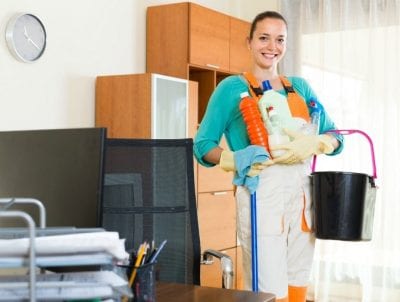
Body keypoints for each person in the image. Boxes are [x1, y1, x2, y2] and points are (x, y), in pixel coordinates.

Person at [193, 10, 344, 302]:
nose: (271, 47)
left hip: (302, 197)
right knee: (267, 287)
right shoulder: (231, 88)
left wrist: (316, 144)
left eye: (279, 40)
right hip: (260, 195)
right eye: (264, 38)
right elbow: (202, 145)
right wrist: (234, 159)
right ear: (249, 42)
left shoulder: (299, 87)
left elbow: (336, 137)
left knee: (299, 277)